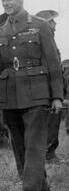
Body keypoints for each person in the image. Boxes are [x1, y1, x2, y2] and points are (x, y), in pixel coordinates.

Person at [0, 0, 63, 191]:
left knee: (34, 145)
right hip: (10, 95)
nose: (6, 2)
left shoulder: (39, 25)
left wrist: (57, 96)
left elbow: (53, 63)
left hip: (37, 93)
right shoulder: (1, 30)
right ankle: (42, 186)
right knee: (19, 145)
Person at [35, 10, 65, 163]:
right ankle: (48, 154)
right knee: (50, 122)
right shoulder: (43, 40)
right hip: (46, 90)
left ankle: (49, 153)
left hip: (53, 89)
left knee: (53, 121)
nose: (55, 24)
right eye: (52, 21)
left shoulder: (51, 39)